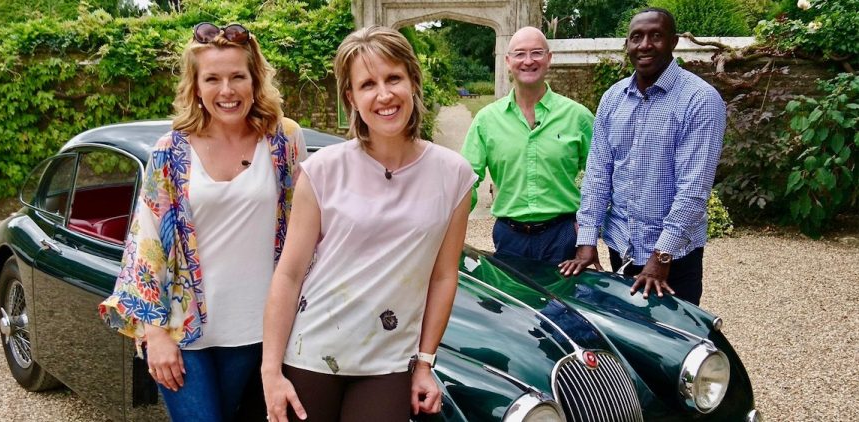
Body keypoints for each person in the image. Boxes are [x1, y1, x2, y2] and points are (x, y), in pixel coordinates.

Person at [260, 25, 476, 421]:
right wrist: (271, 371)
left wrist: (425, 363)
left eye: (393, 78)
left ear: (413, 81)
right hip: (312, 354)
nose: (384, 94)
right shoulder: (323, 170)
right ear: (351, 98)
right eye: (367, 84)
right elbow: (289, 274)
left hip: (389, 362)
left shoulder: (454, 175)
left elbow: (444, 276)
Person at [98, 22, 307, 421]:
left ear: (255, 79)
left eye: (237, 77)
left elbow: (309, 227)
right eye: (212, 78)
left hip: (264, 329)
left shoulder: (284, 141)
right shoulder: (169, 151)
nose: (226, 91)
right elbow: (146, 245)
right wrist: (154, 333)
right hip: (184, 331)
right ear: (195, 85)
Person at [559, 8, 726, 306]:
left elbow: (694, 188)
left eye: (656, 36)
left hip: (672, 260)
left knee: (674, 344)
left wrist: (661, 256)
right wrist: (586, 241)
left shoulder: (700, 100)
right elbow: (598, 174)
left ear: (673, 42)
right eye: (636, 37)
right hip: (620, 246)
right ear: (627, 45)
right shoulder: (613, 98)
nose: (645, 44)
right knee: (627, 337)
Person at [461, 26, 594, 266]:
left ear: (549, 59)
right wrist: (451, 229)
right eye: (520, 54)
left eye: (537, 53)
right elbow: (466, 181)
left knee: (563, 303)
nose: (528, 61)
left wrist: (590, 230)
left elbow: (602, 177)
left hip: (563, 234)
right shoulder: (487, 120)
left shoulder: (578, 117)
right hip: (509, 237)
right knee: (515, 302)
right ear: (508, 61)